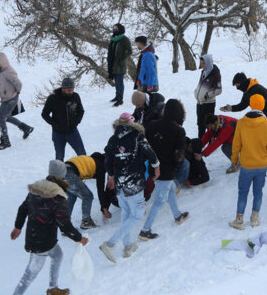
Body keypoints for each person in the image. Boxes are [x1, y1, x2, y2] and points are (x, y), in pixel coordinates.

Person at [3, 160, 88, 295]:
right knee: (31, 272)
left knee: (57, 255)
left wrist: (18, 227)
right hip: (42, 241)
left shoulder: (36, 188)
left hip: (37, 235)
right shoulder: (58, 196)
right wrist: (79, 238)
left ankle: (52, 290)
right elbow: (65, 224)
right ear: (62, 176)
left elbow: (23, 208)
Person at [100, 113, 159, 263]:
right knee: (138, 214)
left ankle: (127, 247)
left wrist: (112, 176)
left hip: (120, 182)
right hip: (134, 182)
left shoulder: (113, 139)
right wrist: (156, 167)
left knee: (126, 212)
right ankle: (110, 244)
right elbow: (151, 154)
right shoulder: (137, 136)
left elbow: (107, 161)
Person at [139, 99, 190, 241]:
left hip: (153, 166)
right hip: (167, 170)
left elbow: (145, 145)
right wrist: (175, 169)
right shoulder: (179, 130)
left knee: (171, 189)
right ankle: (145, 230)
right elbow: (179, 154)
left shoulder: (152, 125)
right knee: (160, 200)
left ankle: (177, 216)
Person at [229, 94, 267, 230]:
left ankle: (239, 220)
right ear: (262, 106)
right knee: (258, 192)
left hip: (246, 165)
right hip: (261, 166)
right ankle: (254, 218)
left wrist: (234, 159)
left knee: (243, 192)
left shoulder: (241, 123)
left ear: (250, 105)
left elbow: (236, 144)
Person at [0, 52, 34, 151]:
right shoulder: (2, 72)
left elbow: (18, 83)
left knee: (1, 119)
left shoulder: (8, 72)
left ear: (2, 62)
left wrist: (16, 92)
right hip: (6, 98)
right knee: (5, 117)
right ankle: (26, 128)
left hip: (10, 99)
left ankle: (5, 141)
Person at [64, 152, 118, 229]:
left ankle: (65, 225)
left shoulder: (90, 160)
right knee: (88, 196)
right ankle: (86, 222)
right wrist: (104, 208)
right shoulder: (100, 166)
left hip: (61, 171)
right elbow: (100, 189)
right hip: (70, 173)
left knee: (72, 196)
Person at [41, 78, 86, 161]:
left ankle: (86, 173)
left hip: (73, 131)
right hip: (58, 133)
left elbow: (81, 111)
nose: (71, 92)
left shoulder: (75, 96)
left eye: (72, 90)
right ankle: (60, 173)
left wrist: (76, 122)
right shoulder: (53, 98)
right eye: (68, 90)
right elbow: (44, 114)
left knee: (82, 154)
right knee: (59, 157)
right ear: (63, 89)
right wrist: (54, 124)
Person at [194, 54, 222, 138]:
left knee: (209, 125)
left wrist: (207, 95)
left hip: (208, 104)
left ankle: (211, 142)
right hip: (199, 103)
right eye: (201, 63)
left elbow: (219, 90)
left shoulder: (215, 74)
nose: (202, 65)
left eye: (204, 63)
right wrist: (196, 91)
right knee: (200, 124)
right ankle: (200, 142)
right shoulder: (203, 72)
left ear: (209, 63)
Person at [107, 23, 132, 107]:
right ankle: (117, 96)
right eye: (113, 28)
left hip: (120, 65)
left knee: (119, 82)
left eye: (115, 29)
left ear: (120, 29)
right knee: (116, 82)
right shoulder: (113, 39)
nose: (114, 30)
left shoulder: (124, 39)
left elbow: (129, 51)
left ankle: (120, 99)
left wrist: (122, 58)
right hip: (112, 64)